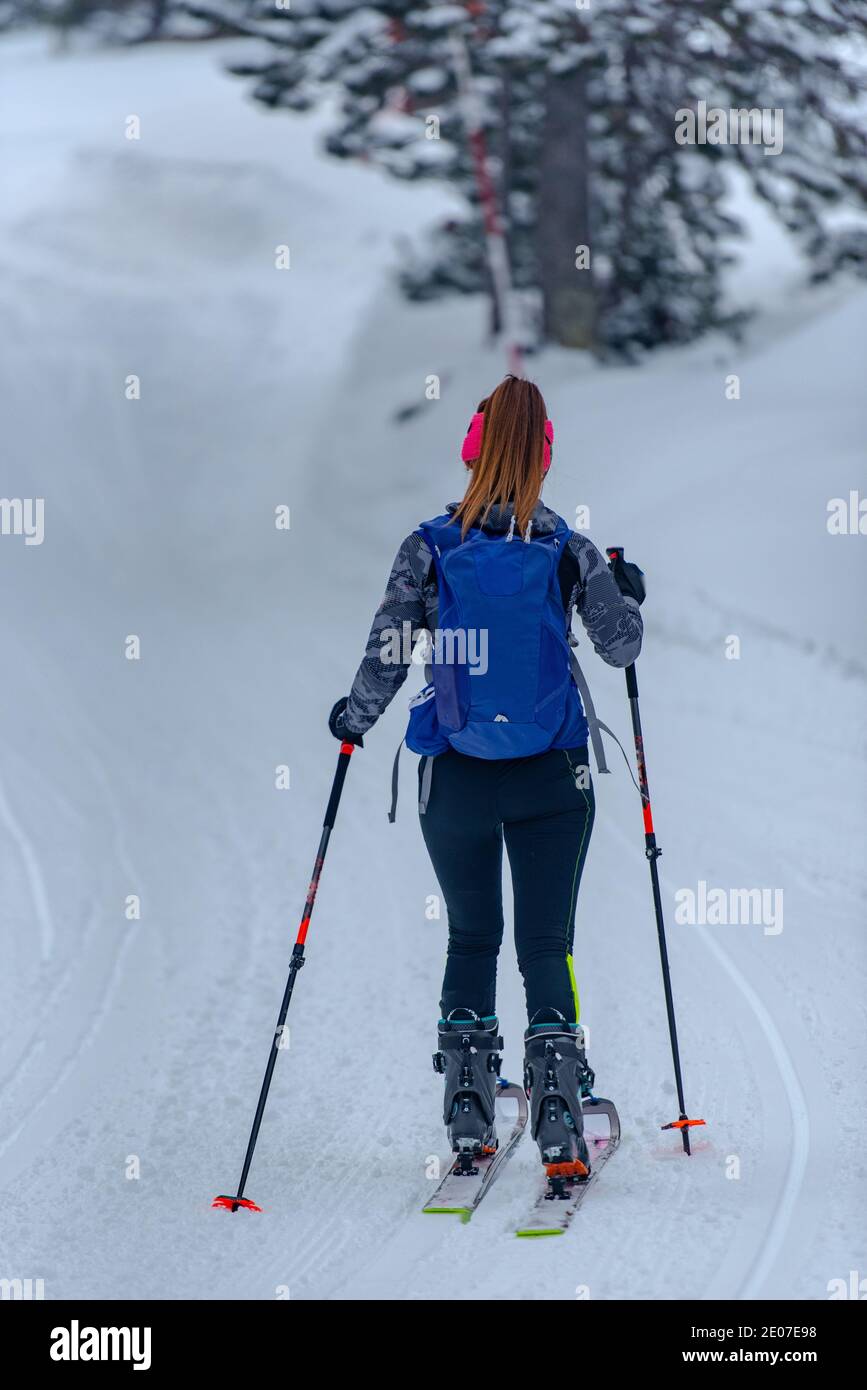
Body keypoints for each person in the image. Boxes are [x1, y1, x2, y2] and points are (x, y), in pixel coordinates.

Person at [328, 375, 645, 1182]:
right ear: (544, 455)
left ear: (469, 448)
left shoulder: (428, 547)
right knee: (547, 942)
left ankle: (468, 1105)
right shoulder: (566, 548)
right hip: (553, 775)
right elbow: (619, 646)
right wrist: (626, 592)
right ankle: (556, 1108)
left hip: (455, 778)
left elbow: (388, 655)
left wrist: (353, 719)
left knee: (472, 935)